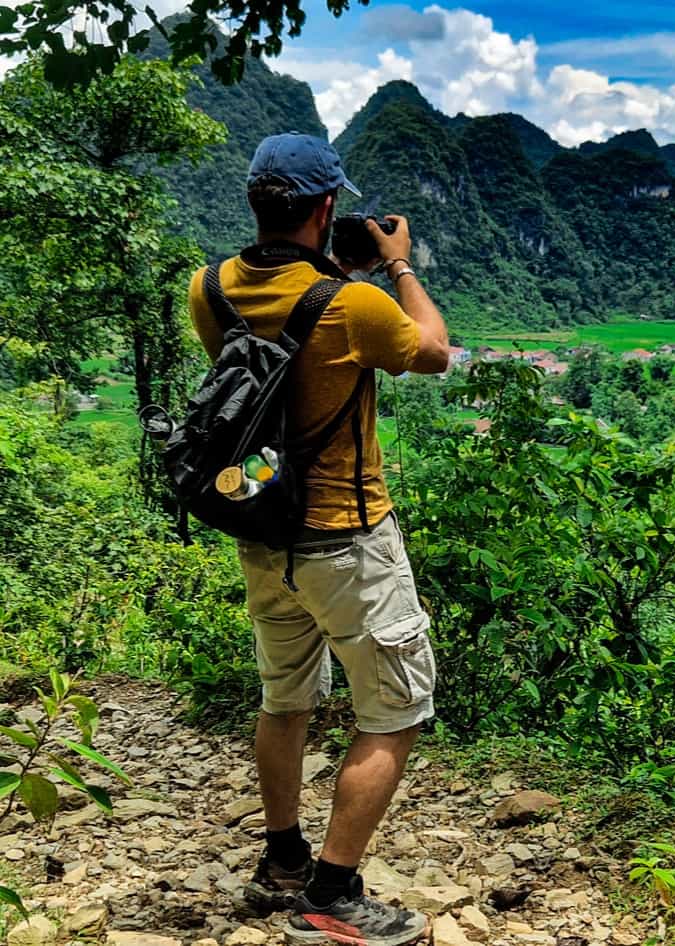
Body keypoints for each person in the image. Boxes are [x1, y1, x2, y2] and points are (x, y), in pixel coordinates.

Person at [187, 132, 450, 946]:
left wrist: (340, 276)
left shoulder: (207, 289)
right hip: (348, 540)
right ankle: (332, 893)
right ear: (328, 207)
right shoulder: (357, 305)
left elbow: (277, 366)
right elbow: (435, 352)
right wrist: (398, 265)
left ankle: (282, 861)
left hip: (261, 530)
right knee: (397, 709)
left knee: (285, 697)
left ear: (255, 203)